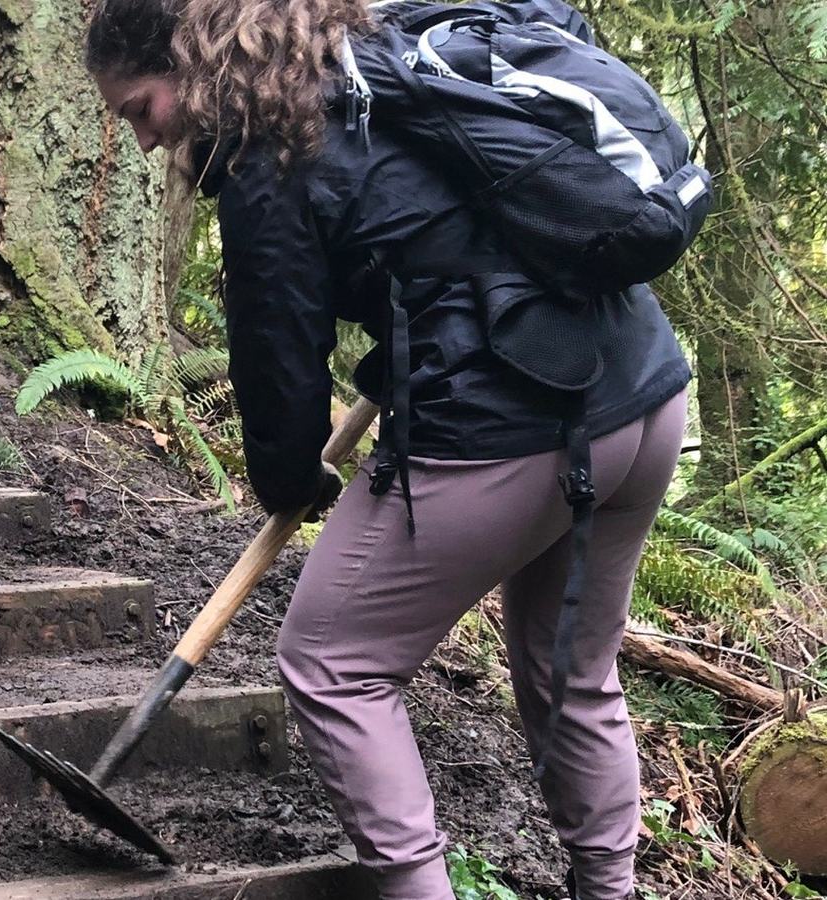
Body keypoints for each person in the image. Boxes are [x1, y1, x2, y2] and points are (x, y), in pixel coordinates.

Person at [83, 0, 693, 897]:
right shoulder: (379, 74)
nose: (142, 140)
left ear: (189, 62)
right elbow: (449, 239)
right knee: (570, 672)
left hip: (514, 425)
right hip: (642, 397)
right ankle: (610, 890)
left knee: (333, 663)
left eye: (141, 107)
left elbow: (277, 350)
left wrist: (290, 474)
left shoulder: (268, 153)